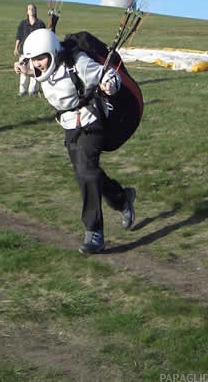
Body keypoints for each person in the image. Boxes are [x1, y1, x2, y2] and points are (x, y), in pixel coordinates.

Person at [14, 28, 136, 254]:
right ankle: (121, 197)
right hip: (69, 126)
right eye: (34, 60)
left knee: (86, 171)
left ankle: (94, 233)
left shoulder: (78, 63)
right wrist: (25, 68)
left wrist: (110, 84)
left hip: (91, 121)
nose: (37, 64)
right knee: (86, 173)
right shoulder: (41, 64)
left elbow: (107, 74)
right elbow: (37, 69)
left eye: (40, 58)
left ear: (52, 52)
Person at [13, 3, 46, 96]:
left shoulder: (40, 24)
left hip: (36, 52)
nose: (31, 10)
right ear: (27, 12)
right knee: (23, 71)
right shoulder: (23, 23)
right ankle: (22, 90)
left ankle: (32, 90)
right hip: (24, 52)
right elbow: (18, 36)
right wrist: (16, 48)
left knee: (34, 70)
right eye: (29, 9)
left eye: (32, 8)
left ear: (35, 11)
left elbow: (44, 37)